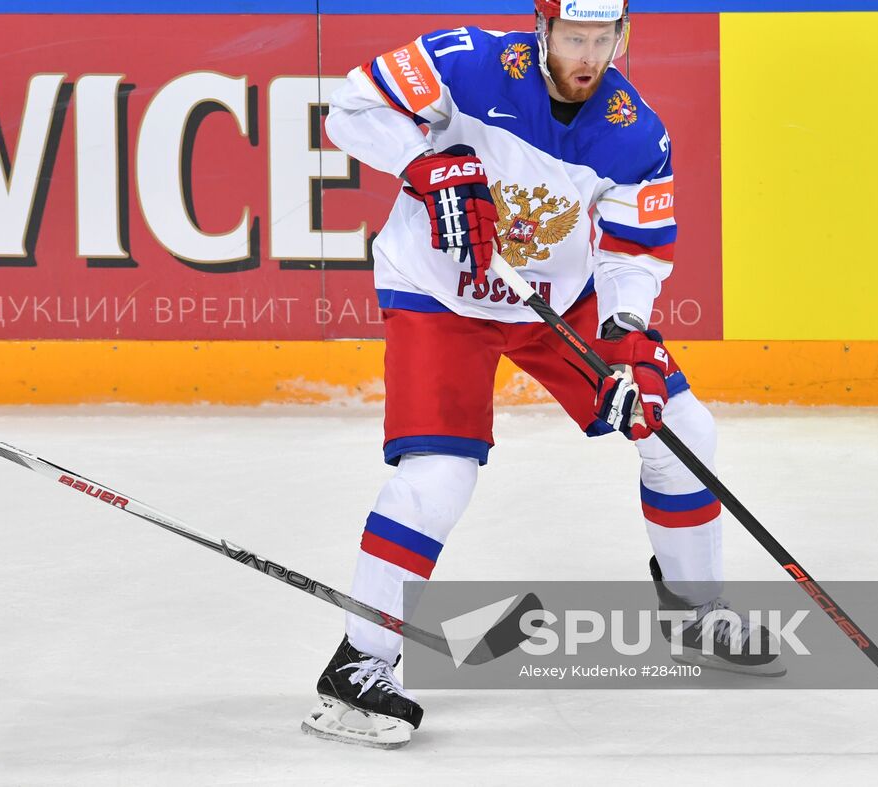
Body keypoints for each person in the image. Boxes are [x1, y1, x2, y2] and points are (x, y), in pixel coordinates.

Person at [303, 0, 780, 749]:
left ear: (621, 36)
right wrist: (427, 160)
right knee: (438, 477)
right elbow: (351, 109)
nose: (588, 54)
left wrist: (626, 337)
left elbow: (633, 252)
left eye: (603, 38)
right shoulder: (467, 62)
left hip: (557, 296)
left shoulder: (635, 131)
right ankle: (359, 666)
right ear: (542, 28)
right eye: (573, 36)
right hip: (439, 291)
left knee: (680, 425)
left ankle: (695, 610)